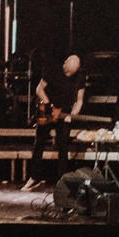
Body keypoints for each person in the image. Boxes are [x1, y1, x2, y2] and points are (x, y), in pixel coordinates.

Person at [30, 52, 86, 183]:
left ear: (76, 69)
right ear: (65, 62)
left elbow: (79, 100)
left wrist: (72, 115)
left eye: (71, 72)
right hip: (48, 108)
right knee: (39, 142)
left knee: (63, 145)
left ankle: (62, 178)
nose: (68, 73)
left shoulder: (80, 76)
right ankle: (34, 176)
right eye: (67, 70)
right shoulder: (53, 71)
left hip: (65, 112)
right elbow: (39, 89)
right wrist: (48, 104)